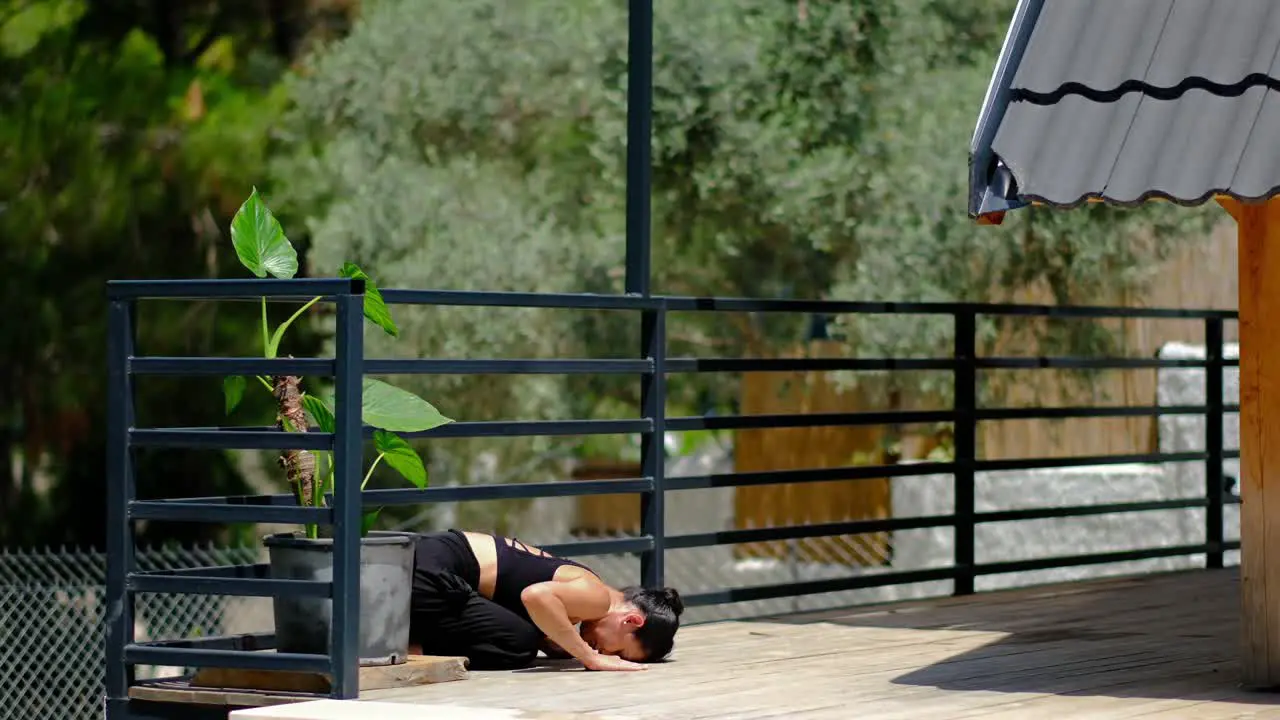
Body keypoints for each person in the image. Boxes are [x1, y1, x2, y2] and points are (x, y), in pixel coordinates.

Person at [407, 529, 684, 672]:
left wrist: (553, 639)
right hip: (434, 576)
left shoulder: (591, 587)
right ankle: (407, 648)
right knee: (518, 644)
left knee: (526, 638)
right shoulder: (599, 599)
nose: (609, 656)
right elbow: (535, 596)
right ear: (631, 620)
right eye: (620, 653)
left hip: (426, 564)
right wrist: (588, 657)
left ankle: (403, 643)